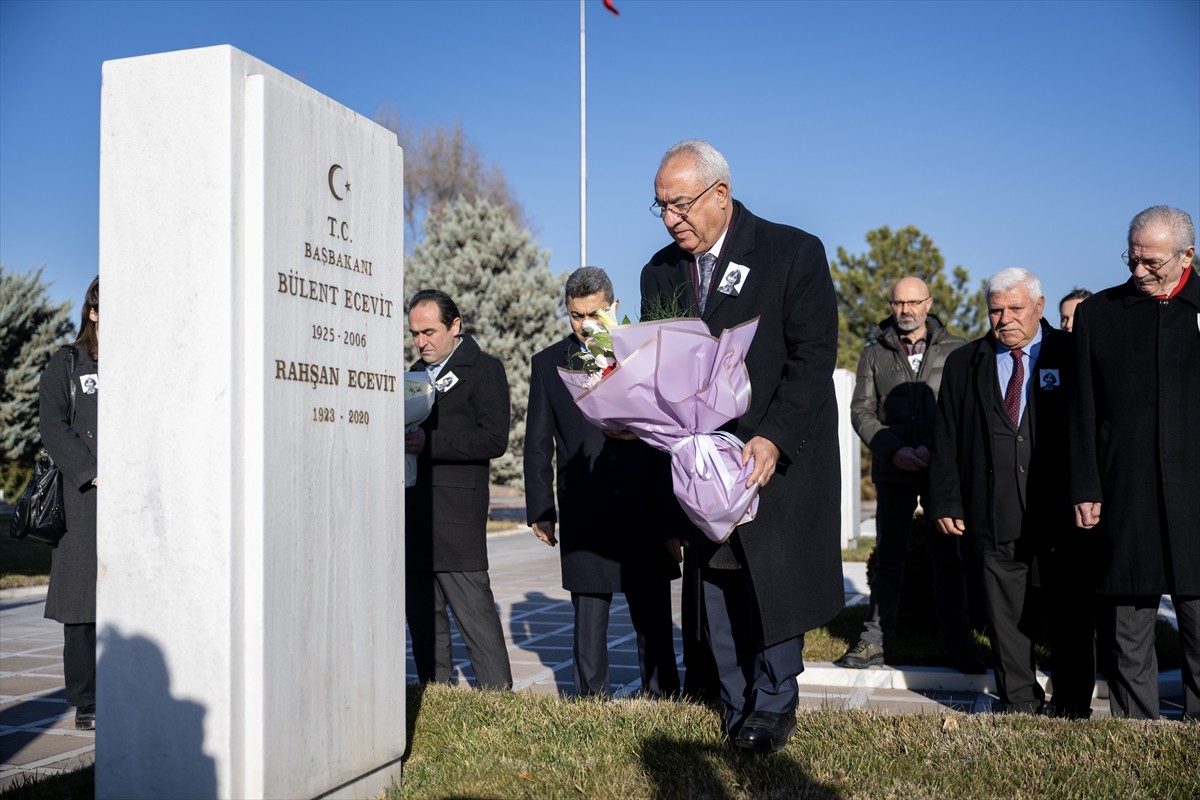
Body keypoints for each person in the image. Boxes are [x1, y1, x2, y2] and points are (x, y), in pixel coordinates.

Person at [640, 140, 843, 752]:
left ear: (719, 195)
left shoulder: (792, 251)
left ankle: (775, 702)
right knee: (718, 580)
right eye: (661, 207)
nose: (672, 218)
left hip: (771, 451)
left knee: (772, 579)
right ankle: (734, 701)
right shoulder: (660, 271)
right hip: (703, 457)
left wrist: (774, 436)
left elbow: (812, 359)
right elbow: (658, 361)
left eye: (680, 204)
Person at [929, 268, 1095, 717]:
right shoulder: (967, 362)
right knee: (1003, 616)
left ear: (1040, 307)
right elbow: (947, 436)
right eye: (996, 310)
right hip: (992, 510)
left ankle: (1072, 702)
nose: (1004, 319)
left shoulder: (1073, 354)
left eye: (1015, 308)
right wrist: (945, 499)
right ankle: (1019, 699)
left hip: (1061, 512)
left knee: (1068, 613)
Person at [523, 267, 681, 698]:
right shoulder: (547, 364)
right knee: (589, 616)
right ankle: (591, 701)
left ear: (614, 307)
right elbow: (538, 444)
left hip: (645, 505)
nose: (586, 325)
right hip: (585, 509)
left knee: (651, 612)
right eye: (576, 316)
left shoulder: (644, 355)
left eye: (595, 313)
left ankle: (663, 694)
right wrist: (541, 509)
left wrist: (672, 520)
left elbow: (671, 435)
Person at [1069, 205, 1199, 720]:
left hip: (1196, 494)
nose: (1139, 272)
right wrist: (1085, 485)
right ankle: (1135, 729)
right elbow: (1082, 409)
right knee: (1128, 624)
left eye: (1153, 263)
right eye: (1133, 259)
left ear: (1188, 255)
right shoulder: (1101, 313)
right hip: (1126, 491)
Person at [838, 276, 984, 674]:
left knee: (950, 559)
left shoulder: (959, 350)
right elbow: (861, 412)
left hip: (943, 474)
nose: (906, 310)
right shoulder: (874, 353)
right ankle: (873, 642)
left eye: (914, 302)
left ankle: (959, 643)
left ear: (929, 303)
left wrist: (936, 452)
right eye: (899, 303)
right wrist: (894, 449)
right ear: (891, 305)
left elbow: (964, 409)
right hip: (894, 472)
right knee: (889, 559)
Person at [405, 289, 512, 690]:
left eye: (429, 331)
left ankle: (499, 704)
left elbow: (493, 439)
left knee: (476, 621)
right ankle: (436, 699)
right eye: (415, 333)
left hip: (456, 518)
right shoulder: (413, 374)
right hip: (414, 514)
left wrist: (429, 444)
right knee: (422, 621)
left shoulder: (485, 369)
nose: (421, 341)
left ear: (455, 326)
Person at [38, 276, 100, 730]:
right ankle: (87, 701)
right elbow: (52, 424)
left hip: (133, 496)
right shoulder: (68, 361)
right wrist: (89, 469)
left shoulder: (139, 362)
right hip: (83, 496)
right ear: (93, 313)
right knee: (81, 604)